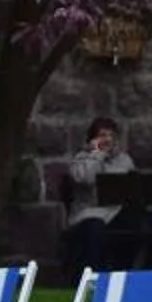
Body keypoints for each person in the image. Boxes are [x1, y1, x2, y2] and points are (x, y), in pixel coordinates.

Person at [61, 116, 138, 274]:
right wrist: (97, 154)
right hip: (88, 214)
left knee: (136, 222)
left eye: (111, 135)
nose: (108, 139)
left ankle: (124, 274)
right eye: (103, 135)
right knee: (95, 228)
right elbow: (86, 179)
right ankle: (93, 275)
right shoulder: (81, 159)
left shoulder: (124, 160)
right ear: (93, 138)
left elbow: (134, 187)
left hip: (115, 211)